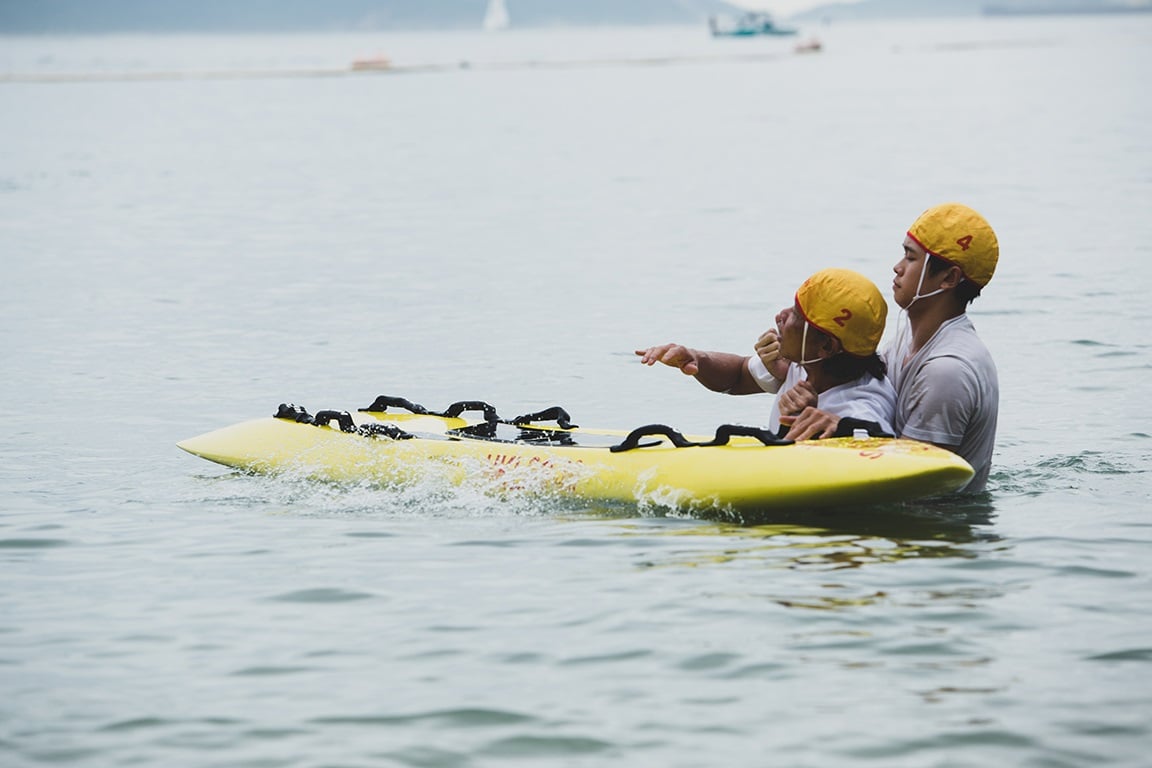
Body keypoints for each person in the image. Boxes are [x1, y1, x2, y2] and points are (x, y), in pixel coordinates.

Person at [784, 203, 999, 493]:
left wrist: (846, 428)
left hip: (937, 518)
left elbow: (913, 482)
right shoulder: (907, 338)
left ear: (948, 278)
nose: (897, 267)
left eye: (910, 258)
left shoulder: (947, 370)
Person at [636, 268, 896, 438]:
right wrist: (696, 359)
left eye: (796, 315)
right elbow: (737, 376)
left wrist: (828, 428)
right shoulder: (805, 364)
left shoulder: (863, 406)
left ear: (826, 346)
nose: (781, 315)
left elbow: (880, 450)